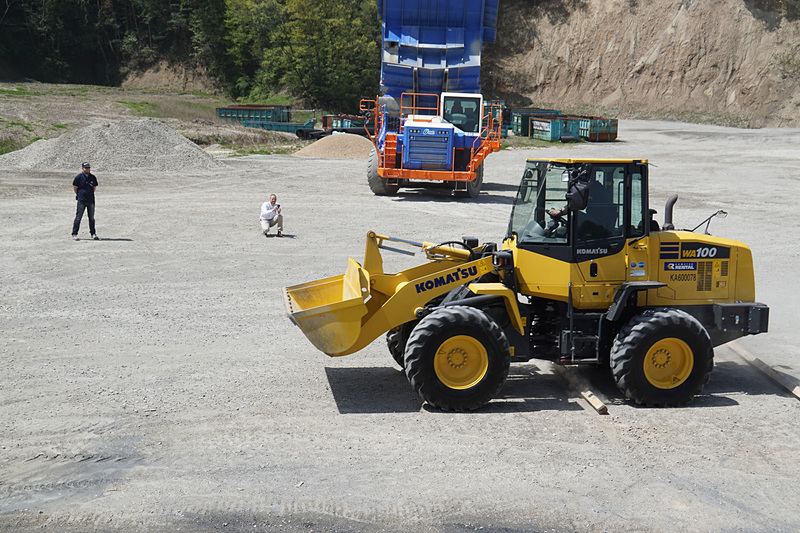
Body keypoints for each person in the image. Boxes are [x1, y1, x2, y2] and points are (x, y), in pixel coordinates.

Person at [72, 162, 99, 240]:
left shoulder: (93, 177)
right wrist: (80, 194)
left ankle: (93, 233)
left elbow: (94, 188)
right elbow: (75, 187)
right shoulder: (78, 177)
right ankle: (74, 233)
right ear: (82, 168)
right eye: (86, 168)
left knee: (91, 217)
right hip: (81, 200)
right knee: (78, 217)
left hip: (91, 200)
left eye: (88, 167)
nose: (87, 169)